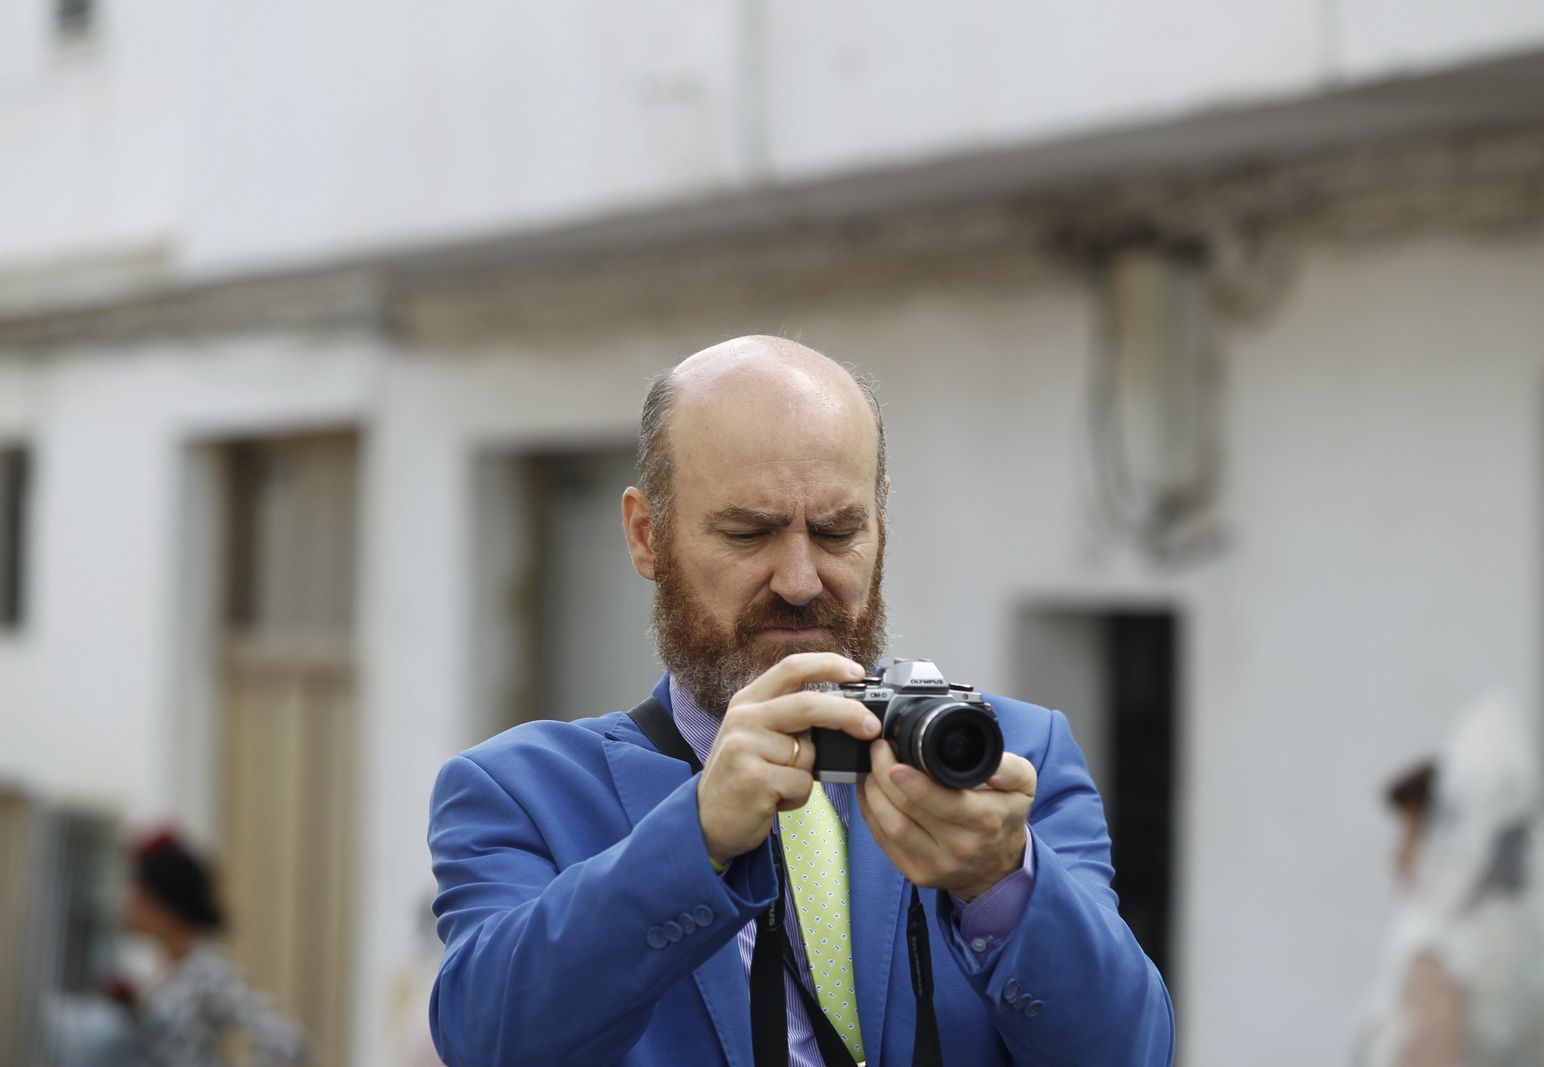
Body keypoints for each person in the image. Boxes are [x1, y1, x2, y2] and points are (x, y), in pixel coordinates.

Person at [428, 336, 1175, 1066]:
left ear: (881, 524)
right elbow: (489, 1039)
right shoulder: (522, 792)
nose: (799, 580)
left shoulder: (1006, 760)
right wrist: (696, 837)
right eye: (748, 534)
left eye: (837, 531)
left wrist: (1000, 881)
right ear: (646, 535)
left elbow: (1132, 1051)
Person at [1352, 695, 1544, 1067]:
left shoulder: (1439, 948)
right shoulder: (1530, 944)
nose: (1398, 857)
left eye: (1411, 835)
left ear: (1450, 842)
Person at [115, 829, 309, 1067]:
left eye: (139, 897)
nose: (126, 906)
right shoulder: (169, 968)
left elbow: (288, 1042)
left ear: (164, 905)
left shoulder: (207, 970)